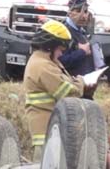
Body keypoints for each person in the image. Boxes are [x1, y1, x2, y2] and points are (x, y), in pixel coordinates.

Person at [23, 20, 86, 150]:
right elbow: (68, 93)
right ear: (50, 47)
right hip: (46, 134)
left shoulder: (48, 62)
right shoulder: (43, 66)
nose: (61, 54)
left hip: (52, 131)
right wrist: (81, 82)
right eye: (60, 49)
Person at [59, 0, 97, 79]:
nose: (83, 16)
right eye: (79, 11)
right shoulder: (63, 32)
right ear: (70, 12)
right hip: (72, 83)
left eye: (85, 11)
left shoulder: (83, 31)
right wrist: (82, 52)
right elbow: (61, 61)